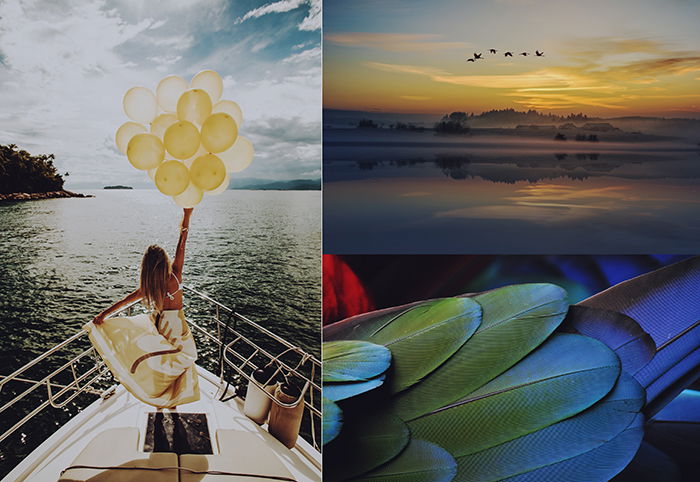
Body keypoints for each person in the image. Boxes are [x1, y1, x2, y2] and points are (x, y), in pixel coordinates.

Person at [87, 208, 199, 408]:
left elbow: (124, 301)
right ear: (165, 260)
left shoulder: (149, 286)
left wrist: (103, 315)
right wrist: (187, 215)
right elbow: (183, 241)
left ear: (147, 266)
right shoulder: (176, 272)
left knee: (163, 361)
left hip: (161, 323)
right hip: (177, 323)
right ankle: (173, 399)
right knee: (180, 360)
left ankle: (160, 397)